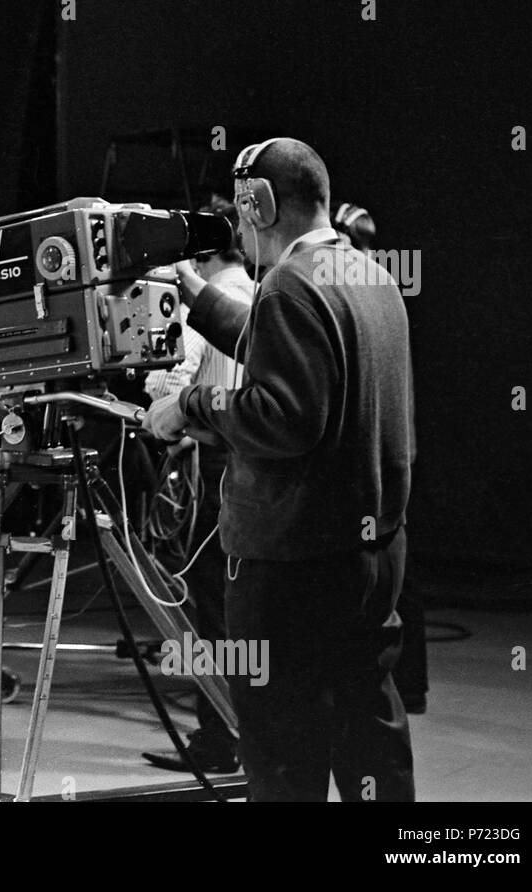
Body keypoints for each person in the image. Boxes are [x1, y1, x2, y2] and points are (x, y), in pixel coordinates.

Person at [145, 137, 415, 801]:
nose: (237, 227)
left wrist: (188, 404)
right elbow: (290, 349)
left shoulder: (288, 286)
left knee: (285, 753)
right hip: (371, 553)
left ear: (258, 204)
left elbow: (284, 417)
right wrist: (200, 298)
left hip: (293, 564)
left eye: (241, 211)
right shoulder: (363, 274)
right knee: (368, 732)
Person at [139, 195, 254, 774]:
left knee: (212, 611)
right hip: (241, 467)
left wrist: (161, 403)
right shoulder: (256, 292)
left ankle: (221, 739)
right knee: (229, 609)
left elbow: (177, 388)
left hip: (217, 468)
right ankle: (234, 733)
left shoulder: (213, 303)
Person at [333, 200, 429, 714]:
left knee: (387, 583)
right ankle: (408, 687)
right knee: (399, 575)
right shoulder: (383, 288)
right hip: (398, 450)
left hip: (379, 451)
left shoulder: (360, 289)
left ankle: (397, 685)